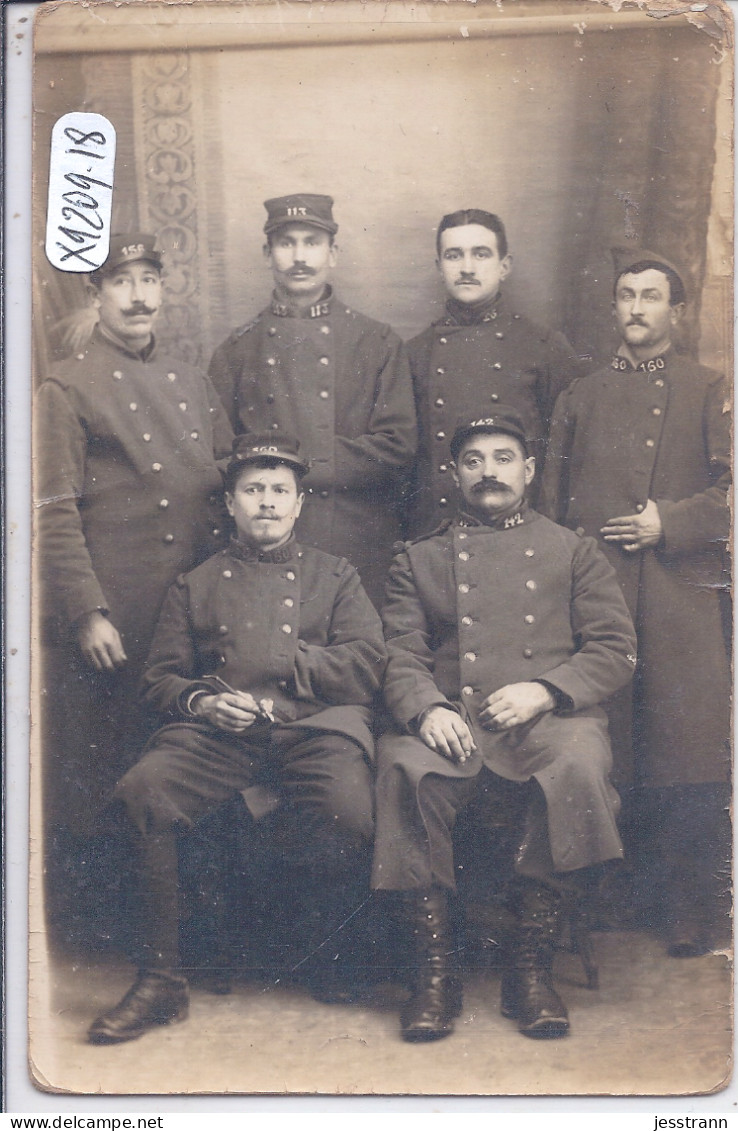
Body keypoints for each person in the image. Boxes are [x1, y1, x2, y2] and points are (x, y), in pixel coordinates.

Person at [86, 431, 386, 1043]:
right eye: (253, 490)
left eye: (281, 490)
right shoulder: (196, 583)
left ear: (300, 504)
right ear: (230, 503)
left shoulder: (337, 575)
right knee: (145, 789)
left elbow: (366, 664)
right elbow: (161, 679)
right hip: (220, 735)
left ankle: (326, 955)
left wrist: (282, 661)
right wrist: (205, 701)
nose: (267, 502)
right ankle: (162, 981)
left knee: (352, 809)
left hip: (314, 727)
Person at [372, 408, 637, 1042]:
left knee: (575, 765)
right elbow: (398, 651)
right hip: (454, 720)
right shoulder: (421, 557)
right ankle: (434, 975)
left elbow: (614, 647)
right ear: (454, 474)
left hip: (546, 719)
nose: (488, 473)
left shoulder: (572, 550)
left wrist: (545, 689)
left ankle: (530, 970)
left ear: (529, 470)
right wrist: (426, 707)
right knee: (405, 767)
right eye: (473, 461)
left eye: (502, 458)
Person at [539, 247, 732, 957]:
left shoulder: (709, 387)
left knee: (684, 751)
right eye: (627, 295)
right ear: (614, 306)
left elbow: (732, 491)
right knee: (605, 743)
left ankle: (685, 905)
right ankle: (606, 897)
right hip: (599, 600)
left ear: (676, 311)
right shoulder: (581, 397)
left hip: (682, 599)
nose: (638, 308)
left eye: (653, 296)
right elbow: (550, 509)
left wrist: (668, 522)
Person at [35, 233, 234, 858]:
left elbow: (228, 482)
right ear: (95, 296)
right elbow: (53, 511)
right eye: (121, 283)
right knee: (110, 768)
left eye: (149, 281)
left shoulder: (192, 383)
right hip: (119, 618)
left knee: (186, 766)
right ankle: (103, 940)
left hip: (190, 614)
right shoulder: (65, 388)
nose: (138, 296)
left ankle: (178, 929)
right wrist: (87, 611)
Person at [208, 193, 416, 608]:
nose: (299, 256)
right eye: (286, 243)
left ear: (333, 253)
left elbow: (398, 447)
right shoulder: (236, 350)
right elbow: (216, 456)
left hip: (356, 540)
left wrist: (295, 467)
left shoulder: (376, 342)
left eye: (312, 242)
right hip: (263, 548)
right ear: (268, 253)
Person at [405, 208, 586, 536]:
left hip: (523, 534)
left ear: (505, 266)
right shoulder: (415, 354)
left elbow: (569, 452)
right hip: (439, 534)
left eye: (481, 254)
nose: (467, 268)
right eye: (454, 255)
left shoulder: (543, 346)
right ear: (439, 267)